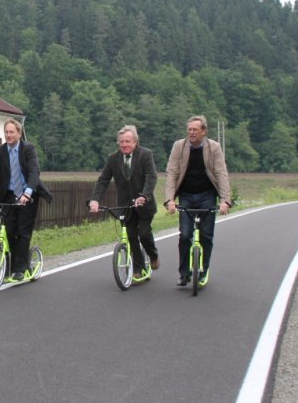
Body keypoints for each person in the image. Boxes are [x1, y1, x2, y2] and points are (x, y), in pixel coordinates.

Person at [0, 118, 52, 282]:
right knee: (8, 232)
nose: (8, 135)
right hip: (8, 196)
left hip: (27, 195)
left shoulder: (28, 149)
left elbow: (34, 172)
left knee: (23, 232)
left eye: (11, 132)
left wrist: (27, 193)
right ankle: (11, 267)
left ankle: (20, 269)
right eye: (6, 132)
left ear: (19, 133)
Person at [163, 115, 232, 287]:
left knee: (206, 236)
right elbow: (171, 173)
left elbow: (221, 173)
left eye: (195, 129)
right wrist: (169, 199)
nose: (191, 133)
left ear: (204, 131)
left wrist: (225, 201)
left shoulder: (213, 147)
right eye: (189, 129)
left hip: (207, 195)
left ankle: (203, 271)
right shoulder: (179, 146)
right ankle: (184, 273)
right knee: (185, 235)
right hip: (186, 195)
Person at [89, 125, 160, 278]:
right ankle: (138, 268)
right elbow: (103, 180)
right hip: (125, 205)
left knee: (144, 234)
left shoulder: (145, 155)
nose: (124, 145)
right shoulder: (113, 159)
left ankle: (153, 255)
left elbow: (151, 177)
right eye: (121, 142)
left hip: (144, 203)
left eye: (127, 141)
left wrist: (144, 196)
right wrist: (95, 200)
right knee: (131, 236)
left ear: (135, 142)